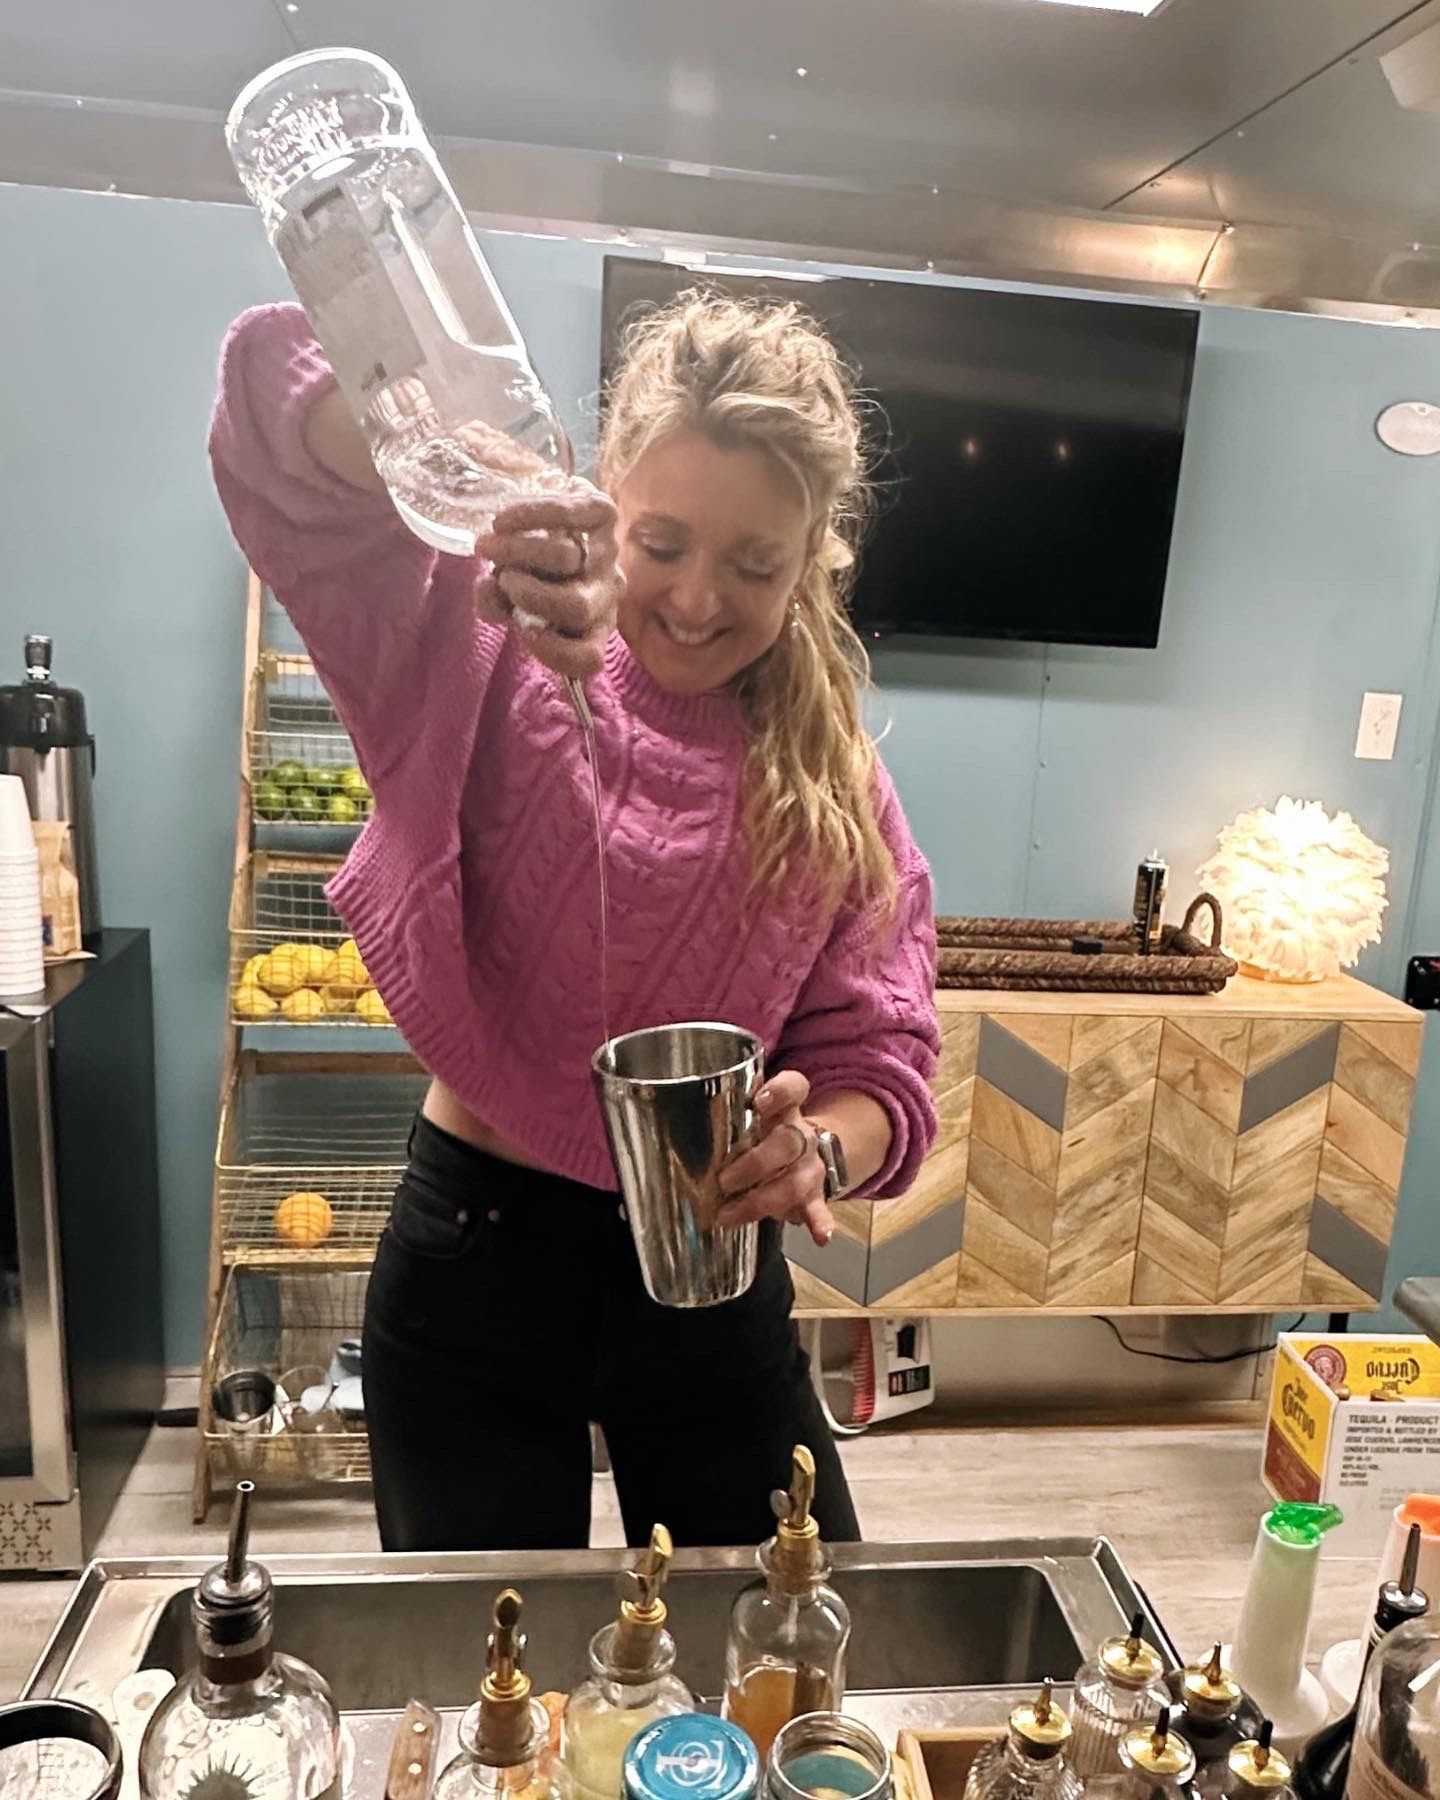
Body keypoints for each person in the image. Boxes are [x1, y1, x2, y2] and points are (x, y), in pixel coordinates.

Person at [209, 289, 941, 1553]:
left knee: (788, 1658)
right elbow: (268, 411)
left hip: (718, 1279)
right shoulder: (484, 640)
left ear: (814, 558)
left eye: (756, 564)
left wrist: (816, 1149)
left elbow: (884, 1059)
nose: (700, 599)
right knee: (494, 1700)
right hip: (477, 1263)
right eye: (662, 543)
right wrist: (460, 491)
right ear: (605, 491)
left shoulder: (832, 781)